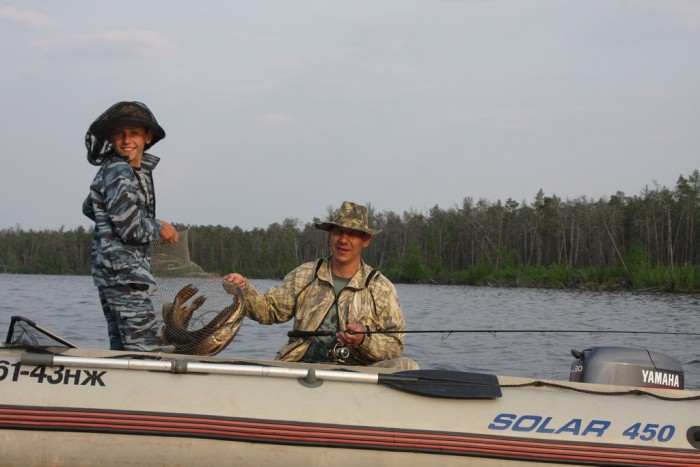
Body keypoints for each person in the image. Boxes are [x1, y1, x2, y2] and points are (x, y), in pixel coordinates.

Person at [225, 201, 416, 368]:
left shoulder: (380, 287)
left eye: (352, 234)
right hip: (303, 368)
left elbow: (394, 346)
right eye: (338, 232)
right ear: (329, 236)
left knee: (407, 366)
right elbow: (270, 311)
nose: (343, 240)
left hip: (360, 374)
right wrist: (244, 290)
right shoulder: (305, 274)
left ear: (365, 240)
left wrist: (364, 339)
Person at [82, 101, 179, 351]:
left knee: (122, 350)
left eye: (134, 133)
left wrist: (109, 216)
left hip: (116, 276)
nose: (126, 139)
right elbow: (130, 229)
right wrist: (159, 227)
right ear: (111, 138)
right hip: (123, 276)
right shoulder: (119, 170)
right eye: (119, 133)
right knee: (145, 352)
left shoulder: (128, 171)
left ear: (147, 137)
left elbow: (89, 206)